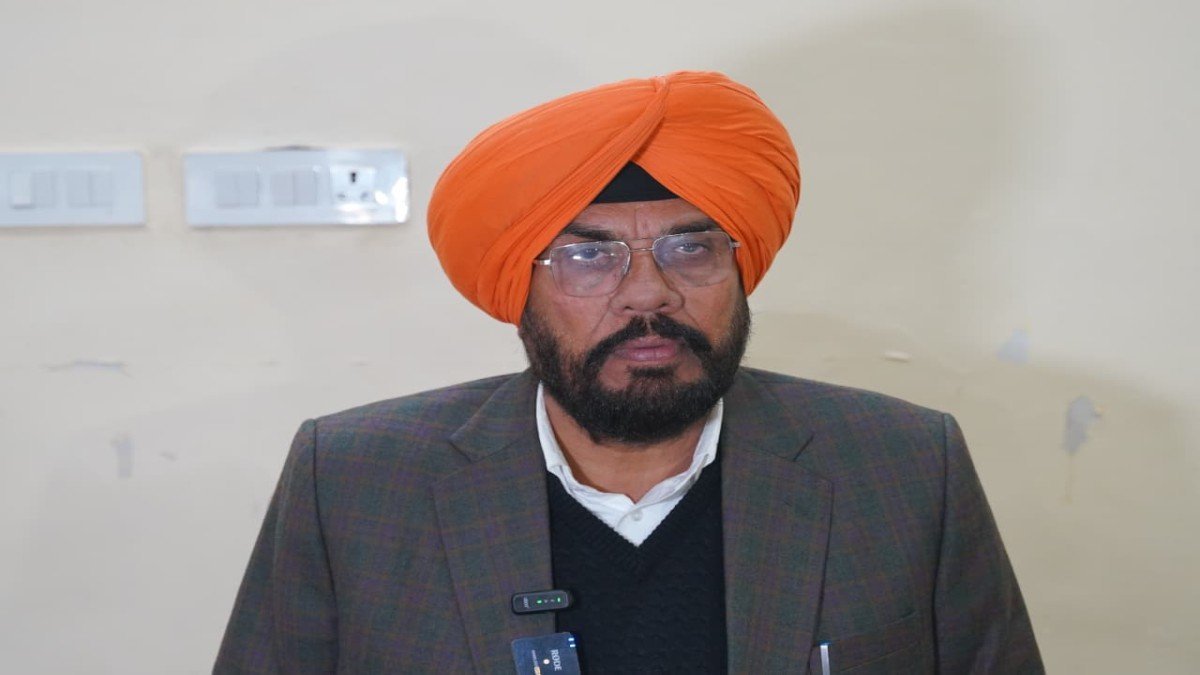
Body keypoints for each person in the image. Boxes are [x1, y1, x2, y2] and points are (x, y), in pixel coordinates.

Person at [215, 71, 1042, 674]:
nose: (649, 293)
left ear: (739, 267)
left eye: (691, 248)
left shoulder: (902, 465)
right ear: (520, 288)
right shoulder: (354, 480)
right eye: (588, 255)